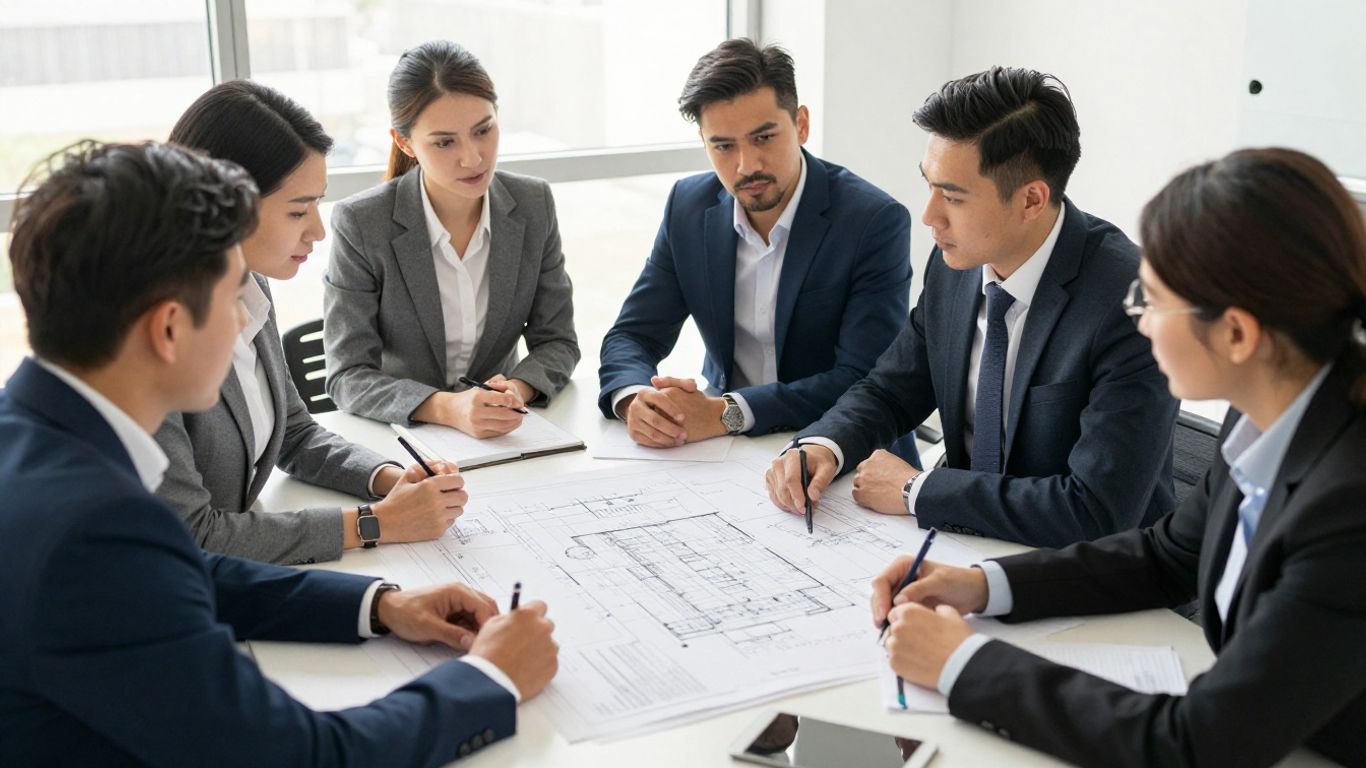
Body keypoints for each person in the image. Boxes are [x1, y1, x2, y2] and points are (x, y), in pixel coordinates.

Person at [0, 141, 558, 767]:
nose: (245, 324)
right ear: (168, 329)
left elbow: (181, 572)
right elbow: (302, 756)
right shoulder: (92, 532)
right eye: (233, 299)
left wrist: (378, 605)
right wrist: (491, 680)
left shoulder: (28, 431)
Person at [873, 148, 1366, 767]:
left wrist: (962, 664)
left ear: (1237, 334)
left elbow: (1195, 744)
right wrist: (982, 587)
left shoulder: (1348, 509)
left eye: (1154, 301)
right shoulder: (1266, 416)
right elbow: (1167, 555)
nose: (1140, 319)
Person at [768, 67, 1177, 547]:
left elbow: (1097, 510)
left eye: (953, 197)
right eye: (930, 185)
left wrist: (915, 489)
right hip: (964, 549)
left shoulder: (1132, 302)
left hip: (1095, 575)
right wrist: (823, 445)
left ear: (1030, 200)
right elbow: (892, 391)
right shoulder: (957, 262)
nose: (929, 216)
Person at [155, 80, 460, 565]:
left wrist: (387, 477)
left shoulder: (250, 285)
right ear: (226, 206)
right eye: (299, 210)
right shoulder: (155, 334)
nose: (318, 230)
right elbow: (192, 534)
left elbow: (293, 432)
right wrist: (375, 522)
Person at [596, 38, 915, 454]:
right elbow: (632, 335)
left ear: (801, 124)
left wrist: (726, 411)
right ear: (703, 142)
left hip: (844, 448)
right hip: (725, 452)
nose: (746, 166)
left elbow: (862, 378)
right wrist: (637, 399)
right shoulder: (688, 208)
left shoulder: (872, 221)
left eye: (763, 137)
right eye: (724, 146)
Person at [325, 40, 579, 437]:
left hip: (504, 435)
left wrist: (515, 390)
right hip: (405, 439)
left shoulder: (534, 204)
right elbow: (348, 375)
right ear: (404, 142)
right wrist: (449, 408)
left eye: (483, 130)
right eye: (445, 142)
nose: (473, 158)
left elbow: (557, 341)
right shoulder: (361, 223)